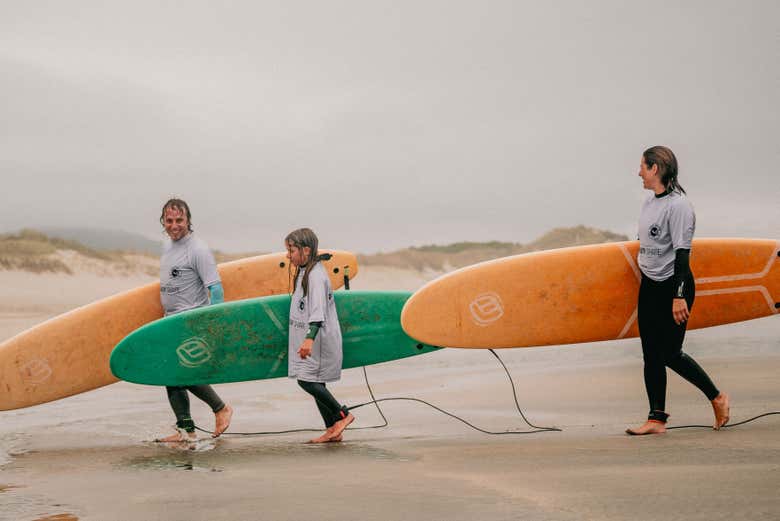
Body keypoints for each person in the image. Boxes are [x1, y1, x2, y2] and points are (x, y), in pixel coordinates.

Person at [626, 146, 730, 435]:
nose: (638, 172)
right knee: (650, 354)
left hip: (674, 284)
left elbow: (683, 255)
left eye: (642, 167)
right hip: (650, 284)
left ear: (655, 168)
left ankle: (717, 397)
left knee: (670, 353)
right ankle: (656, 419)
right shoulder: (649, 203)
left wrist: (679, 295)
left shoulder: (679, 206)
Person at [155, 198, 233, 442]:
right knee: (171, 377)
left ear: (188, 220)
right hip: (171, 321)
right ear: (163, 221)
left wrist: (213, 325)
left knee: (179, 373)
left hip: (191, 321)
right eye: (169, 220)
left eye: (179, 220)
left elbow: (216, 289)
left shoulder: (198, 249)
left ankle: (220, 408)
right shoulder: (168, 246)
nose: (174, 225)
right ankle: (186, 430)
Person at [285, 228, 354, 443]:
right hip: (313, 340)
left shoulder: (315, 276)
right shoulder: (306, 271)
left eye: (291, 250)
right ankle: (332, 429)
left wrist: (309, 338)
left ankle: (342, 415)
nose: (288, 255)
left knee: (306, 381)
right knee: (316, 383)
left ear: (306, 250)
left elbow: (317, 311)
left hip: (319, 341)